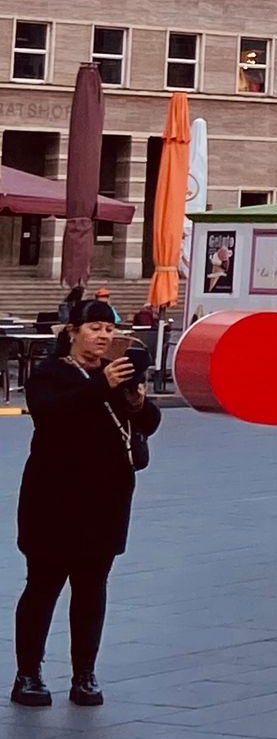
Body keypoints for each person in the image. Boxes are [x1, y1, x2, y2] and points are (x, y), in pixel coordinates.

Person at [13, 293, 160, 707]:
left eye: (110, 330)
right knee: (43, 586)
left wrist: (136, 400)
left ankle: (85, 675)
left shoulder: (117, 375)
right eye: (94, 328)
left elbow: (148, 423)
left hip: (106, 499)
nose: (103, 336)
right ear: (72, 333)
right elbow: (52, 414)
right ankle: (28, 675)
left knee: (92, 588)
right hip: (53, 500)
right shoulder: (51, 373)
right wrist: (103, 385)